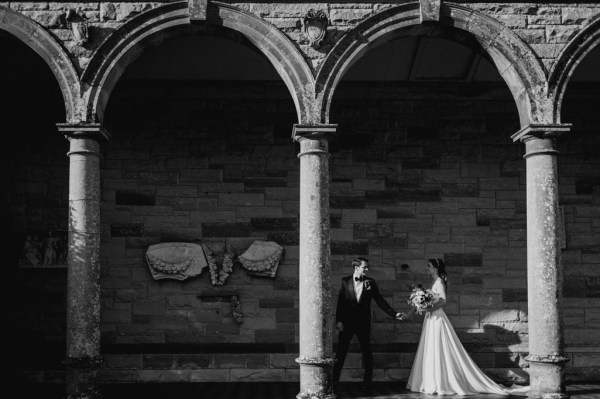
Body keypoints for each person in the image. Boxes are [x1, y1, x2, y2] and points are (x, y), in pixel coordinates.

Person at [403, 258, 528, 396]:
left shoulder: (439, 282)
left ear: (436, 268)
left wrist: (428, 307)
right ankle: (431, 380)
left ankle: (441, 381)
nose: (427, 268)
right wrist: (423, 306)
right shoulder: (434, 282)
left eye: (429, 266)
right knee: (431, 346)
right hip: (431, 317)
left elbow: (444, 301)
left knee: (438, 346)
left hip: (437, 317)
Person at [333, 257, 404, 391]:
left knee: (367, 352)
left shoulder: (370, 282)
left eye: (367, 267)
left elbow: (380, 300)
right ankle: (334, 381)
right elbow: (340, 303)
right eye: (364, 267)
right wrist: (339, 321)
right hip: (347, 323)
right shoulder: (345, 281)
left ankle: (368, 381)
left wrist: (394, 314)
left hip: (363, 323)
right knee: (340, 352)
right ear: (356, 268)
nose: (367, 269)